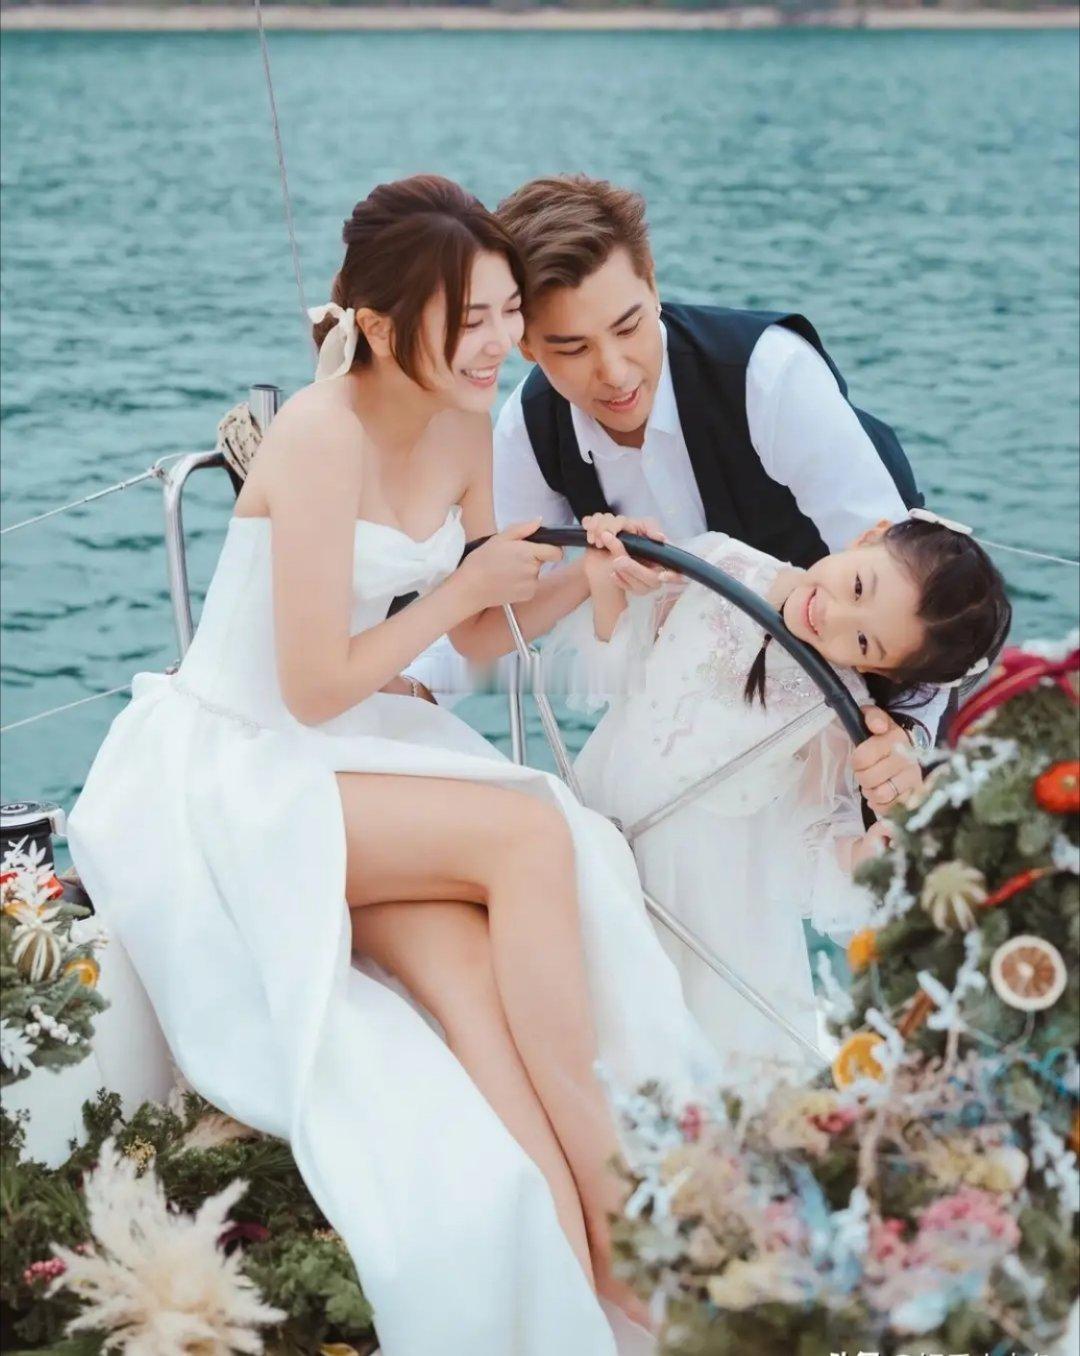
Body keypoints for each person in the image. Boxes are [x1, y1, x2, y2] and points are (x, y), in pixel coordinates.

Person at [66, 176, 719, 1356]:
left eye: (507, 312)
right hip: (239, 767)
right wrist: (463, 589)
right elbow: (312, 682)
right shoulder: (322, 434)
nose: (500, 343)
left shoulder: (468, 418)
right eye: (470, 319)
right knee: (532, 828)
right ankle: (609, 1184)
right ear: (375, 322)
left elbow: (484, 633)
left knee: (470, 975)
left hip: (349, 753)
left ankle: (574, 1273)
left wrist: (593, 569)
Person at [493, 173, 945, 815]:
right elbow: (506, 610)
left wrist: (908, 741)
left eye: (628, 327)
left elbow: (909, 587)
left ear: (652, 281)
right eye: (571, 349)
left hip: (841, 725)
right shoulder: (529, 426)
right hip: (680, 743)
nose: (615, 373)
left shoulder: (770, 375)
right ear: (522, 342)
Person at [541, 510, 1011, 1067]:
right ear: (868, 537)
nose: (834, 615)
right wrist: (607, 584)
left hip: (706, 904)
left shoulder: (834, 711)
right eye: (858, 586)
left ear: (885, 670)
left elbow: (811, 840)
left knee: (667, 1049)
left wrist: (867, 851)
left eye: (863, 640)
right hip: (596, 810)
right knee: (564, 983)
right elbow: (614, 676)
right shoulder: (716, 561)